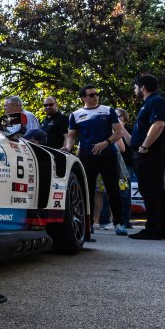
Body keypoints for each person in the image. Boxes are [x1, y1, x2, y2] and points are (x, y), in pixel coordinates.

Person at [62, 85, 128, 238]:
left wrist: (106, 142)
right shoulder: (75, 115)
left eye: (97, 94)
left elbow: (119, 132)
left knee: (113, 190)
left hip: (108, 155)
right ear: (83, 98)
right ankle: (88, 224)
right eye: (91, 95)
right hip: (87, 156)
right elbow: (71, 136)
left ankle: (119, 223)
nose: (95, 97)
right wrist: (68, 147)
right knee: (88, 191)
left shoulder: (108, 110)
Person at [128, 74, 165, 240]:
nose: (134, 89)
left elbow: (159, 124)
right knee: (155, 189)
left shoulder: (155, 101)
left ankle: (153, 229)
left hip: (151, 152)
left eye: (136, 86)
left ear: (143, 88)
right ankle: (159, 228)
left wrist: (144, 146)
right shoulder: (151, 102)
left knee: (150, 190)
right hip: (151, 152)